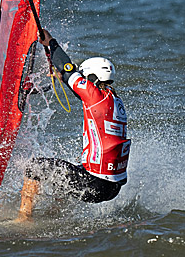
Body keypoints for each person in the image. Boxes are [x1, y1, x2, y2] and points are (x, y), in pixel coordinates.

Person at [16, 29, 131, 221]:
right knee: (63, 176)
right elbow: (76, 85)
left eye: (85, 78)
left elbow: (68, 69)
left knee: (33, 167)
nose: (84, 82)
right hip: (113, 187)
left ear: (93, 79)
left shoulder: (94, 95)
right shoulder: (114, 101)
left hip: (95, 184)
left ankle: (23, 221)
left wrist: (51, 43)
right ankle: (51, 218)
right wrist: (66, 78)